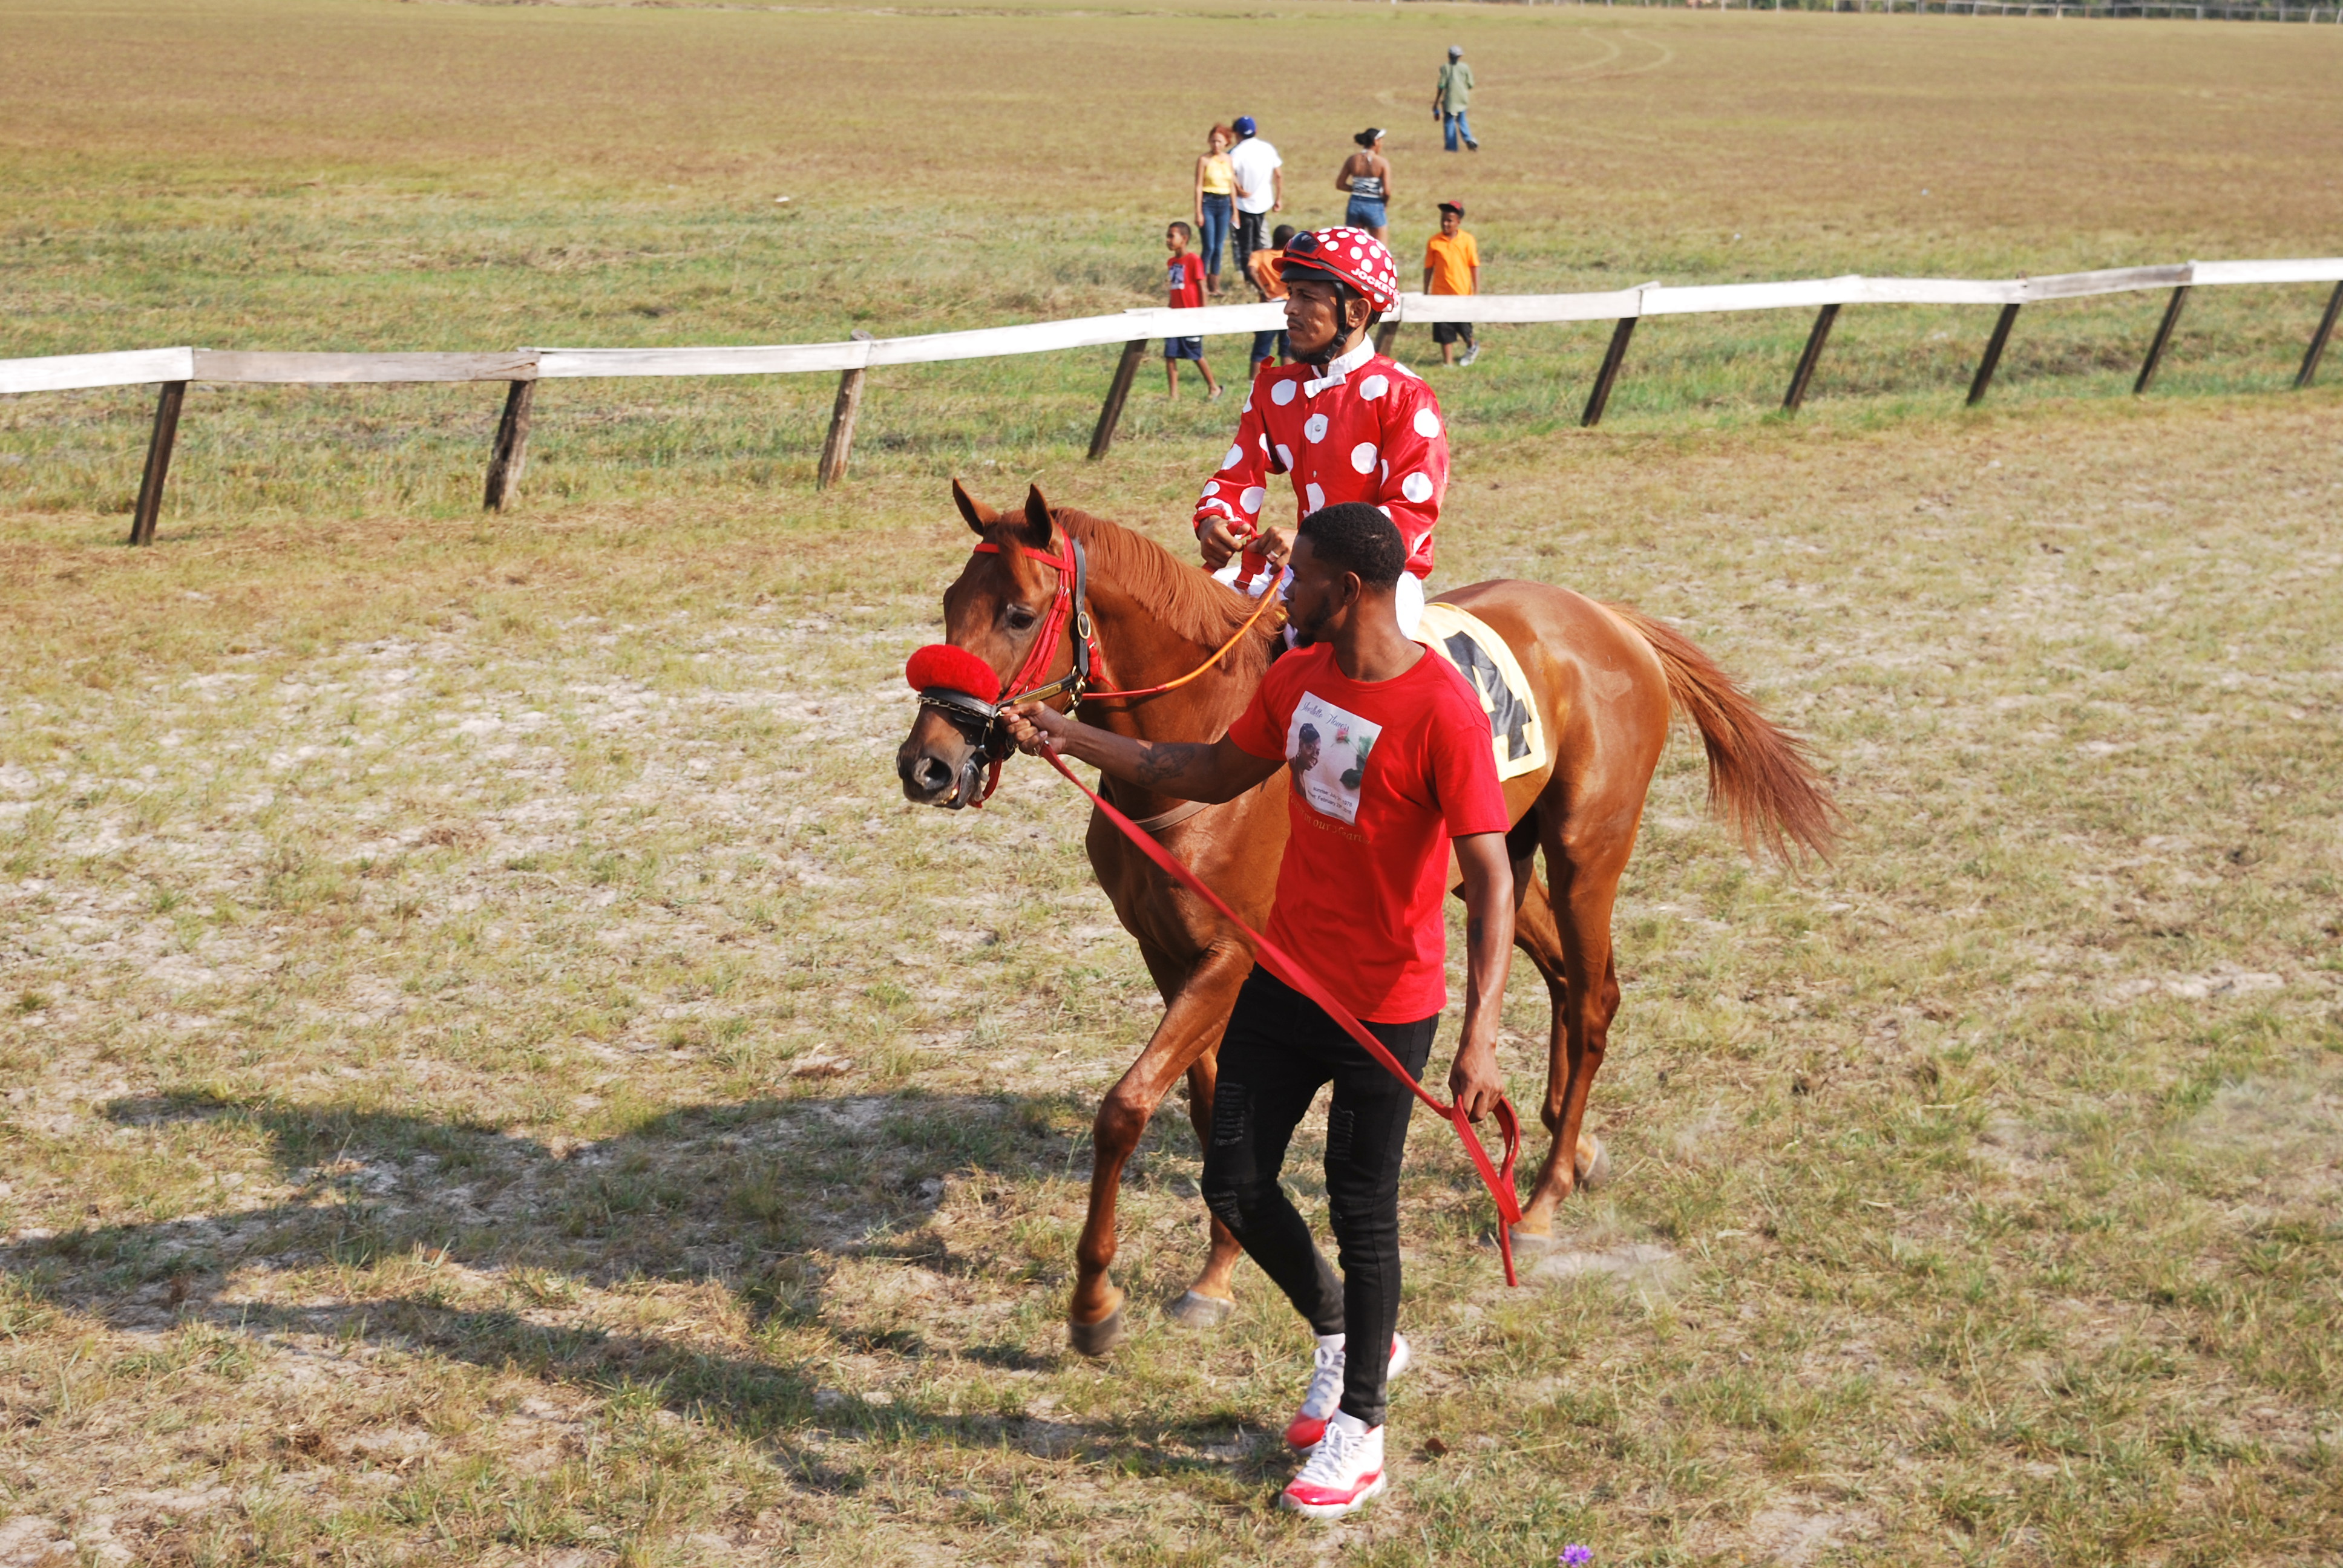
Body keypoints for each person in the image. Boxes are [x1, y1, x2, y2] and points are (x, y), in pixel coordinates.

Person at [1003, 503, 1515, 1521]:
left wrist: (1482, 1030)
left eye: (1305, 578)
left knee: (1359, 1204)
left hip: (1386, 1001)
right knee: (1233, 1178)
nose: (1285, 592)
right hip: (1289, 978)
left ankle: (1358, 1427)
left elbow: (1492, 879)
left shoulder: (1441, 712)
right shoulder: (1294, 678)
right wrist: (1060, 729)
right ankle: (1344, 1331)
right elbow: (1192, 770)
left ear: (1352, 591)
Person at [1191, 226, 1451, 641]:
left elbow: (1411, 512)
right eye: (1290, 292)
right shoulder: (1273, 389)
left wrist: (1318, 547)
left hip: (1378, 582)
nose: (1289, 308)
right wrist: (1216, 521)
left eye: (1306, 297)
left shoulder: (1407, 396)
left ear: (1356, 313)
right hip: (1299, 572)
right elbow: (1237, 477)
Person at [1162, 221, 1221, 400]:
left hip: (1192, 316)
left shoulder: (1194, 260)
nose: (1168, 240)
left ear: (1185, 238)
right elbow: (1175, 287)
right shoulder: (1171, 262)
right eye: (1168, 236)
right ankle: (1173, 395)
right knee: (1170, 354)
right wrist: (1169, 309)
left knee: (1195, 353)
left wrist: (1203, 314)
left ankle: (1214, 387)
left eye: (1172, 236)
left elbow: (1201, 287)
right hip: (1175, 316)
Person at [1423, 199, 1481, 367]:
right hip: (1440, 293)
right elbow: (1429, 267)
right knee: (1443, 328)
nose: (1446, 224)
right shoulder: (1434, 242)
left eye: (1450, 220)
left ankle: (1472, 346)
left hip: (1461, 293)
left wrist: (1476, 290)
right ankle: (1448, 363)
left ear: (1458, 222)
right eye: (1443, 219)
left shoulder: (1467, 240)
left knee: (1463, 326)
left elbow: (1474, 265)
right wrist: (1426, 290)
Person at [1228, 114, 1284, 271]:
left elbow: (1228, 174)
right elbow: (1278, 174)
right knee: (1259, 241)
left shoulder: (1236, 153)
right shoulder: (1268, 148)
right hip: (1263, 203)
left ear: (1237, 134)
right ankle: (1263, 273)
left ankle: (1249, 277)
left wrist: (1238, 188)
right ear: (1256, 131)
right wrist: (1279, 198)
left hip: (1243, 205)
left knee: (1245, 244)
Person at [1245, 222, 1297, 376]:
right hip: (1288, 305)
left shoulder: (1259, 255)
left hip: (1268, 305)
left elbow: (1251, 271)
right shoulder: (1289, 258)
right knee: (1287, 347)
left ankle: (1254, 382)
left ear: (1274, 238)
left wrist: (1263, 290)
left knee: (1261, 347)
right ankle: (1288, 378)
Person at [1194, 125, 1237, 296]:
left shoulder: (1228, 159)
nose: (1216, 145)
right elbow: (1198, 186)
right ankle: (1201, 284)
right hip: (1208, 202)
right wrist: (1198, 211)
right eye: (1213, 141)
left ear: (1226, 142)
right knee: (1209, 246)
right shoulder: (1204, 160)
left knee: (1219, 247)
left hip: (1224, 203)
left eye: (1219, 141)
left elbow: (1232, 185)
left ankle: (1215, 286)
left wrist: (1235, 211)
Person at [1335, 128, 1394, 246]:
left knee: (1352, 245)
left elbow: (1340, 184)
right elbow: (1387, 191)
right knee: (1381, 248)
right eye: (1381, 141)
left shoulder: (1353, 160)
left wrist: (1357, 189)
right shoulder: (1382, 162)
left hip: (1355, 204)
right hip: (1374, 205)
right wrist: (1385, 203)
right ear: (1376, 142)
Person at [1433, 46, 1477, 152]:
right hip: (1462, 99)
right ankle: (1469, 139)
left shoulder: (1445, 68)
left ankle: (1451, 147)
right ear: (1460, 56)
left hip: (1450, 100)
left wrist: (1436, 102)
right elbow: (1471, 84)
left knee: (1449, 122)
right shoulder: (1465, 68)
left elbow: (1442, 85)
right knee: (1462, 120)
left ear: (1449, 56)